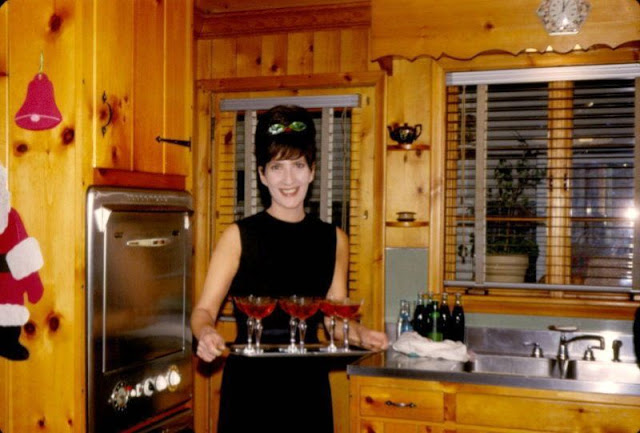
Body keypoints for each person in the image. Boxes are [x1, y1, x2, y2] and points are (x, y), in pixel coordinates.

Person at [191, 104, 389, 433]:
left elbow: (334, 321)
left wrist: (362, 334)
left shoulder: (334, 239)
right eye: (277, 167)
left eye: (298, 165)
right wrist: (206, 332)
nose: (288, 179)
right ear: (262, 174)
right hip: (249, 390)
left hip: (307, 389)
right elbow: (203, 311)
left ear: (312, 171)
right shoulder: (238, 236)